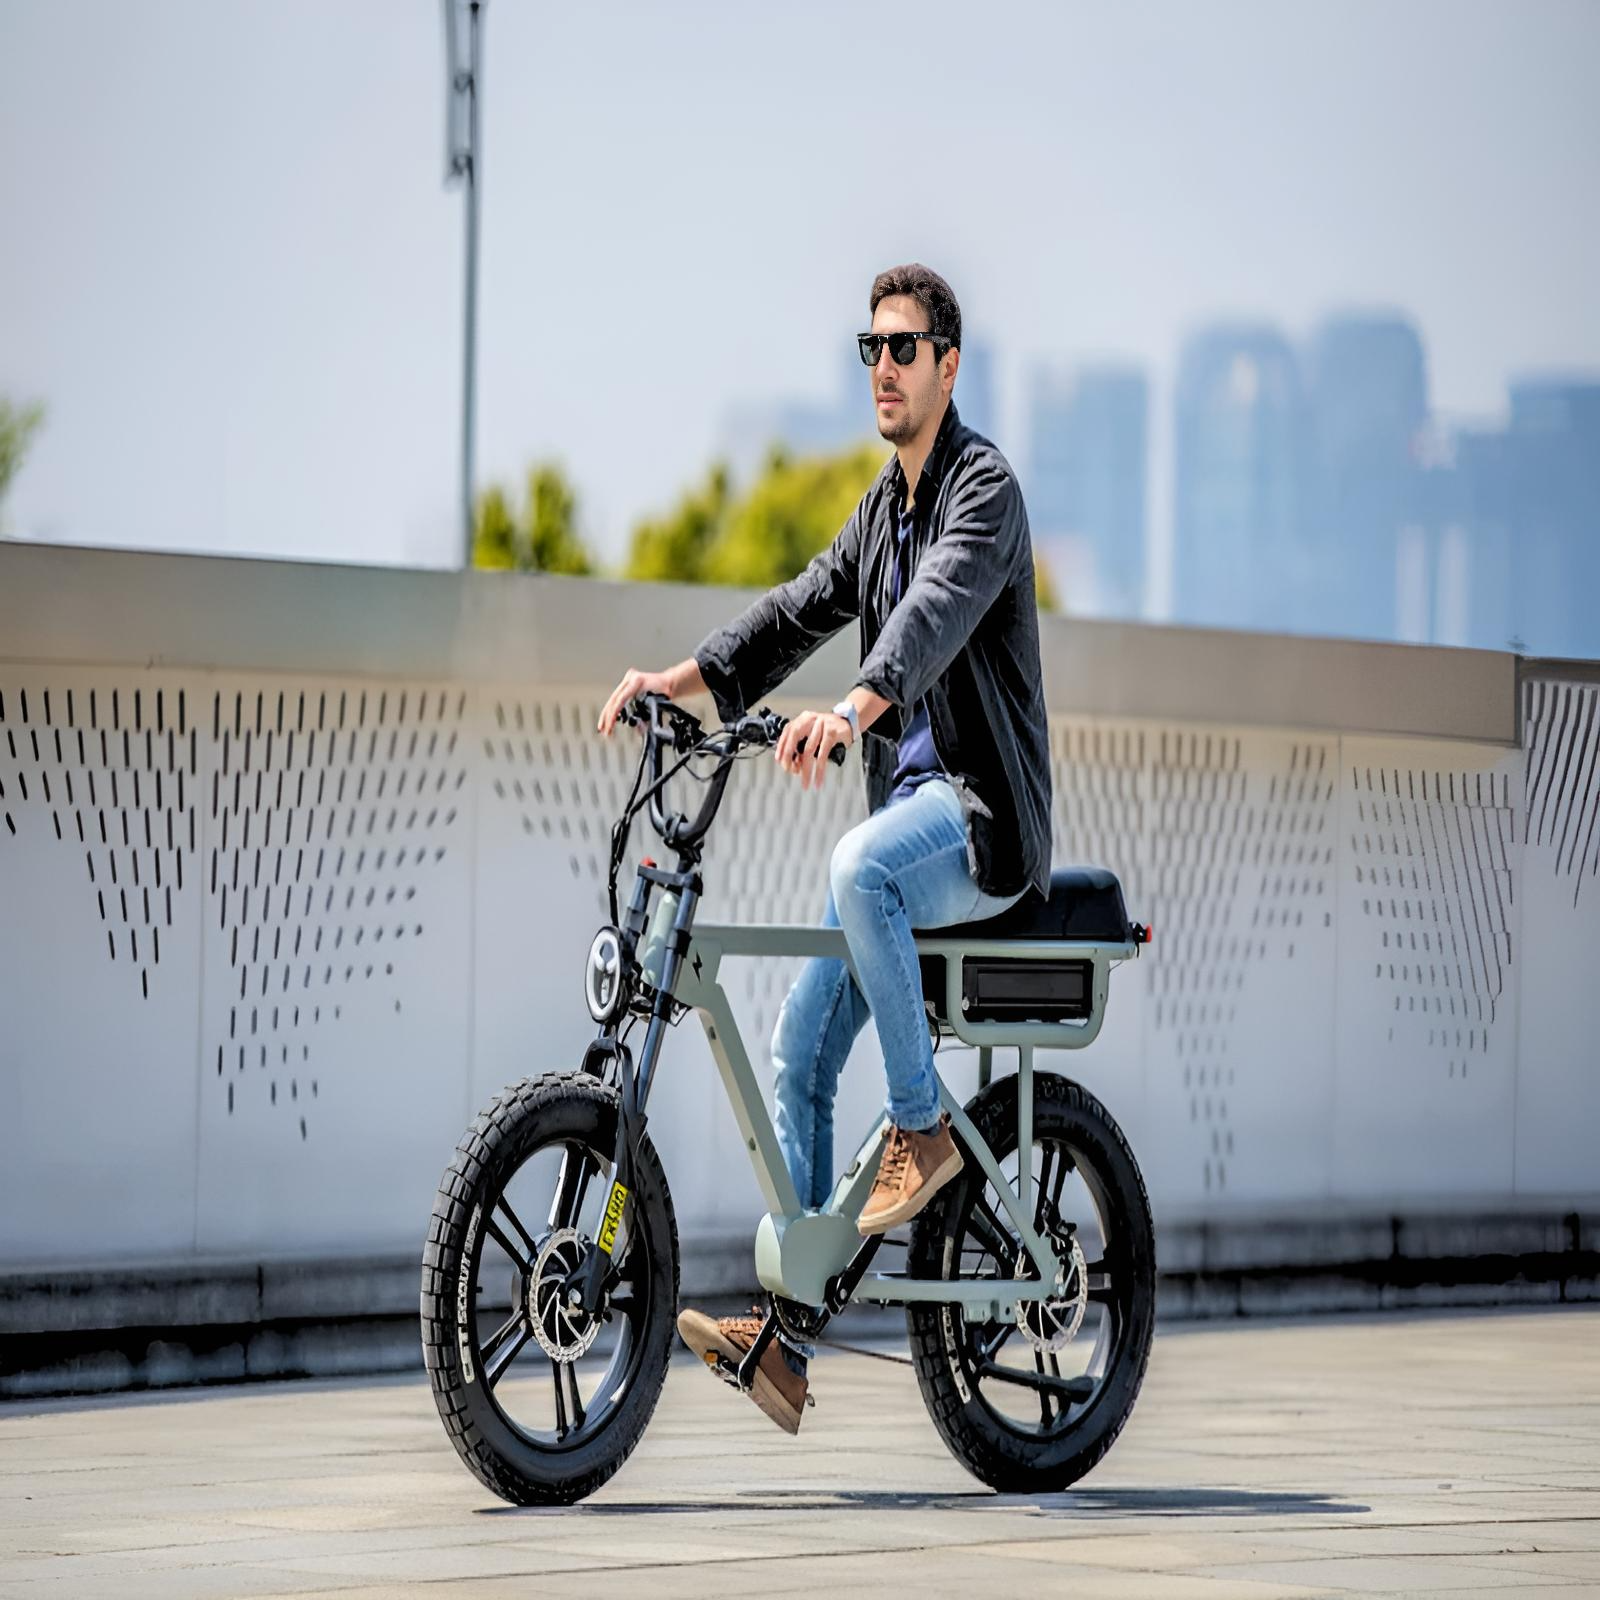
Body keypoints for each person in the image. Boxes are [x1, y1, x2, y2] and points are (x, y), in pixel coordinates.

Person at [597, 263, 1052, 1435]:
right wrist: (678, 681)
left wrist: (853, 708)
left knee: (856, 865)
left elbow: (930, 617)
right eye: (873, 350)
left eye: (906, 349)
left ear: (950, 365)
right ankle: (789, 1340)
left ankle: (921, 1130)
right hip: (912, 834)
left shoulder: (980, 493)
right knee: (797, 1047)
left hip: (979, 823)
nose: (885, 369)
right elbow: (798, 607)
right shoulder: (879, 509)